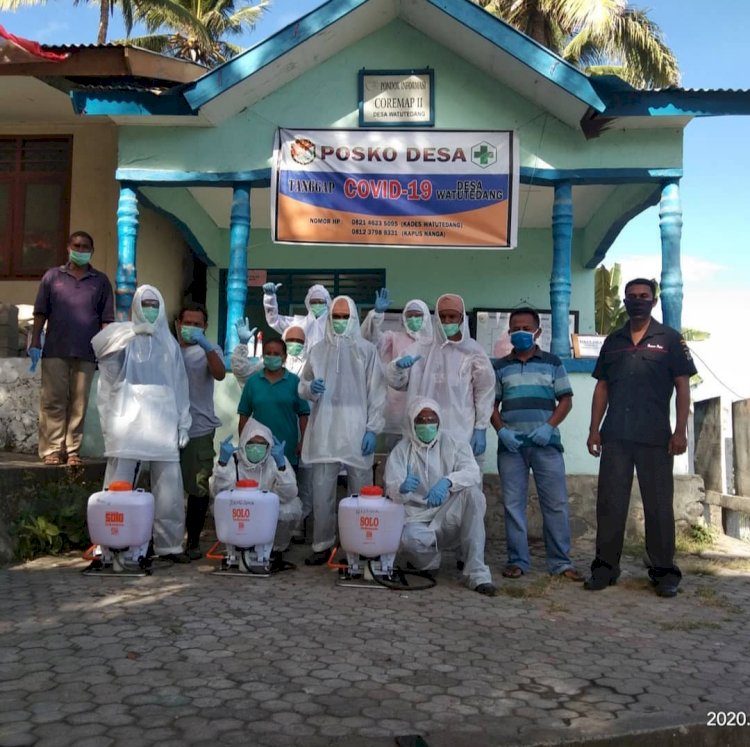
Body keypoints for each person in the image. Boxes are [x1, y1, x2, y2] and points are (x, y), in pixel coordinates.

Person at [585, 278, 697, 598]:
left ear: (654, 300)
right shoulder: (614, 341)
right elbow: (602, 386)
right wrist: (594, 428)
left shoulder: (670, 339)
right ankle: (605, 568)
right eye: (632, 296)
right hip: (616, 435)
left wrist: (680, 431)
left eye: (643, 296)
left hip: (655, 437)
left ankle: (664, 573)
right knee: (610, 505)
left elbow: (682, 386)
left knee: (659, 506)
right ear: (624, 300)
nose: (637, 300)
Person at [92, 285, 192, 563]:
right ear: (136, 305)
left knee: (169, 489)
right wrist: (132, 332)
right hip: (128, 421)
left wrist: (184, 423)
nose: (150, 309)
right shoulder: (122, 335)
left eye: (154, 304)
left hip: (163, 422)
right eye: (145, 303)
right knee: (117, 484)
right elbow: (99, 347)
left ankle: (170, 546)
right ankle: (109, 543)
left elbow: (180, 385)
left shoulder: (169, 343)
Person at [490, 308, 583, 581]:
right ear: (509, 332)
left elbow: (566, 400)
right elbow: (491, 404)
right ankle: (517, 560)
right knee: (512, 504)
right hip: (511, 447)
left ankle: (561, 563)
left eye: (526, 328)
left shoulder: (553, 362)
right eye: (515, 328)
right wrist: (501, 431)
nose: (521, 332)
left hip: (547, 445)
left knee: (555, 504)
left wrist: (549, 426)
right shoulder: (500, 366)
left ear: (537, 332)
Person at [298, 295, 386, 565]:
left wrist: (373, 429)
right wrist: (309, 390)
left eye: (345, 316)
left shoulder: (366, 350)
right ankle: (322, 545)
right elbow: (303, 384)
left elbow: (377, 393)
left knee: (359, 493)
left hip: (356, 432)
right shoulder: (317, 350)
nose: (339, 321)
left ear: (354, 318)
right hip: (324, 432)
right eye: (335, 316)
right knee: (322, 493)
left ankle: (357, 546)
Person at [384, 397, 497, 596]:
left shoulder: (454, 443)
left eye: (431, 420)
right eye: (421, 421)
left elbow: (472, 471)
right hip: (417, 518)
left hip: (448, 513)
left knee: (474, 495)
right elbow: (392, 488)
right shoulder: (401, 451)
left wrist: (448, 482)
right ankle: (429, 562)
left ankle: (477, 574)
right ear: (412, 423)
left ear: (439, 421)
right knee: (408, 539)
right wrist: (401, 488)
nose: (427, 425)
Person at [29, 231, 114, 466]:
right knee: (53, 401)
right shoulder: (52, 277)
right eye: (76, 245)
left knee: (79, 403)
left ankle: (73, 450)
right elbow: (40, 312)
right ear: (68, 247)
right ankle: (52, 450)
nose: (81, 249)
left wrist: (106, 350)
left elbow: (106, 319)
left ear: (92, 251)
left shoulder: (100, 281)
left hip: (87, 352)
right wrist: (35, 340)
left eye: (86, 246)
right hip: (55, 349)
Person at [387, 293, 495, 462]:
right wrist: (397, 368)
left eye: (452, 316)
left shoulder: (474, 353)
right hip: (422, 429)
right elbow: (396, 383)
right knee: (422, 479)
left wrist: (481, 427)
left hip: (460, 430)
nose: (446, 321)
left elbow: (484, 392)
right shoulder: (420, 349)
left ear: (461, 318)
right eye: (442, 316)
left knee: (460, 479)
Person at [175, 302, 225, 560]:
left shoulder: (210, 350)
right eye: (188, 323)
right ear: (178, 324)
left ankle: (193, 541)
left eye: (198, 325)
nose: (192, 328)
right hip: (166, 429)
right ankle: (168, 540)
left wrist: (206, 347)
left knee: (197, 486)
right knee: (168, 487)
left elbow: (219, 373)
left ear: (205, 327)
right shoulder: (168, 350)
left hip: (199, 428)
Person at [212, 419, 302, 560]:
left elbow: (289, 494)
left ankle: (276, 548)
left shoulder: (275, 460)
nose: (256, 448)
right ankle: (235, 547)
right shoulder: (232, 460)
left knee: (288, 507)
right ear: (243, 443)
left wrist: (282, 468)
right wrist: (222, 464)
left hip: (265, 513)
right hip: (239, 510)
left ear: (269, 446)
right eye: (252, 443)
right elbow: (218, 493)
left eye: (261, 444)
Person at [360, 289, 433, 446]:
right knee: (396, 459)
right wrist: (377, 315)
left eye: (417, 315)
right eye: (410, 315)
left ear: (426, 317)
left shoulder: (434, 344)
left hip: (428, 414)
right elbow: (370, 341)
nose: (413, 318)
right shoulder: (394, 338)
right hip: (397, 413)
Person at [262, 281, 331, 350]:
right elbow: (274, 320)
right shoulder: (298, 323)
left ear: (327, 303)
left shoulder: (333, 326)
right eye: (313, 302)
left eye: (321, 302)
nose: (317, 304)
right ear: (308, 304)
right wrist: (270, 297)